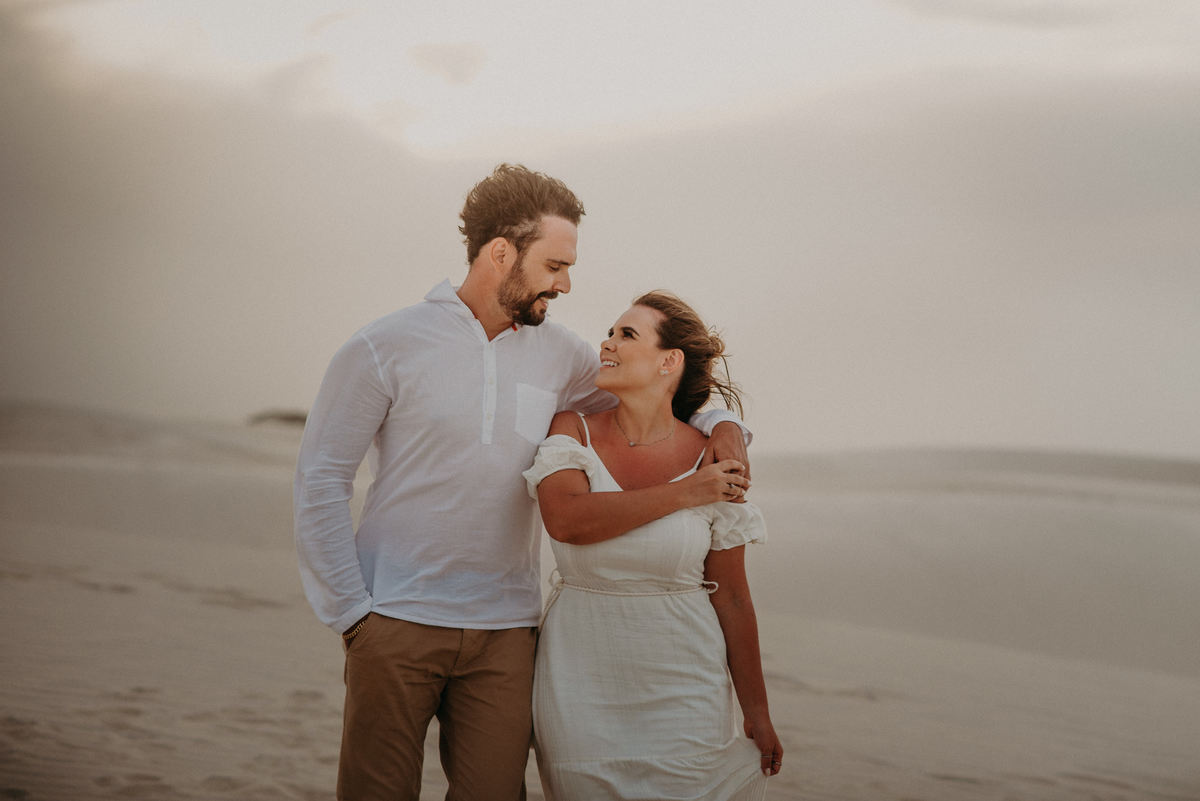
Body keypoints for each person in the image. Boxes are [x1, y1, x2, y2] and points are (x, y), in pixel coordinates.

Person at [293, 164, 752, 801]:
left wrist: (725, 422)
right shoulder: (383, 346)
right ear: (500, 253)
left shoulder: (560, 354)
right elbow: (321, 480)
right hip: (393, 619)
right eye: (555, 265)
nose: (565, 284)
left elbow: (655, 387)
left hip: (507, 632)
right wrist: (351, 614)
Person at [523, 291, 782, 799]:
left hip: (687, 687)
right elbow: (567, 519)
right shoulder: (572, 430)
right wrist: (686, 492)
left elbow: (731, 597)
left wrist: (757, 711)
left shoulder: (714, 453)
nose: (607, 342)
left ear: (669, 362)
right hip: (580, 684)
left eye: (627, 334)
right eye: (611, 332)